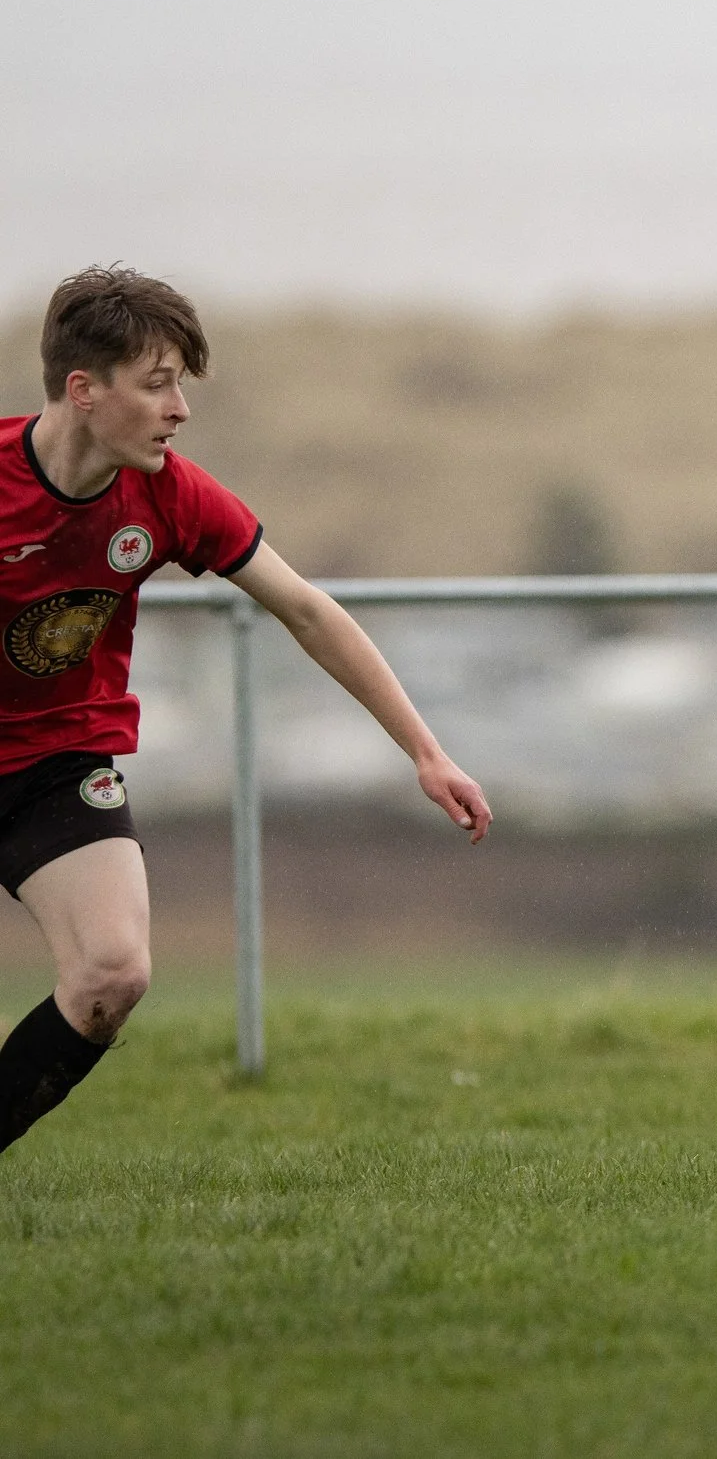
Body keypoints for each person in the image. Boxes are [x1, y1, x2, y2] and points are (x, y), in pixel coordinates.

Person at [0, 267, 493, 1157]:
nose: (179, 409)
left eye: (179, 384)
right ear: (84, 390)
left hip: (56, 766)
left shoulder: (169, 494)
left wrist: (426, 752)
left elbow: (307, 609)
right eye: (157, 385)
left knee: (112, 977)